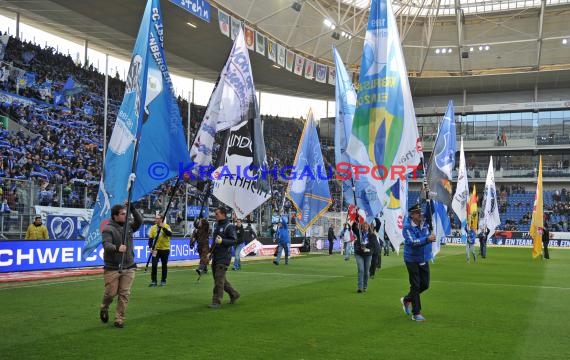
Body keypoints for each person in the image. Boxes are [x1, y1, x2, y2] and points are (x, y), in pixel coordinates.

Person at [100, 202, 142, 328]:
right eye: (123, 214)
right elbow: (106, 245)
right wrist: (117, 248)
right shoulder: (108, 229)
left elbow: (139, 221)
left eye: (126, 213)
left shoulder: (129, 226)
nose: (126, 216)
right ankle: (104, 307)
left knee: (124, 293)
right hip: (112, 267)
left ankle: (119, 318)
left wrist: (133, 208)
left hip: (129, 265)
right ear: (115, 216)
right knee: (111, 293)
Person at [400, 204, 436, 322]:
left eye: (420, 212)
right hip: (411, 259)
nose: (420, 214)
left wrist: (429, 194)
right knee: (415, 285)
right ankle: (416, 313)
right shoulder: (407, 227)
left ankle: (407, 299)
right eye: (417, 212)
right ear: (412, 215)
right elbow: (413, 242)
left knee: (425, 285)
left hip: (423, 258)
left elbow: (432, 210)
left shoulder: (425, 221)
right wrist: (427, 239)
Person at [209, 207, 240, 309]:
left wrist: (222, 241)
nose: (215, 215)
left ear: (223, 214)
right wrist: (210, 253)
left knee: (218, 279)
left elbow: (234, 240)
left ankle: (216, 301)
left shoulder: (229, 226)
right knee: (220, 280)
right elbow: (214, 242)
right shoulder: (217, 226)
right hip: (216, 256)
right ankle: (234, 294)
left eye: (217, 214)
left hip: (224, 257)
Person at [148, 213, 172, 287]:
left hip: (165, 249)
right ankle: (154, 281)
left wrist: (163, 228)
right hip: (155, 249)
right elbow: (151, 238)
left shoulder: (167, 226)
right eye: (156, 218)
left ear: (161, 219)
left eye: (158, 218)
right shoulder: (153, 228)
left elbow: (169, 234)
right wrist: (150, 247)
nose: (156, 219)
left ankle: (163, 281)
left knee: (164, 265)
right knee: (154, 264)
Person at [354, 222, 373, 293]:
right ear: (361, 227)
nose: (365, 228)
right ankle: (360, 287)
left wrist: (366, 247)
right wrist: (356, 219)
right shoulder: (359, 233)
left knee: (366, 272)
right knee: (361, 270)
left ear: (368, 227)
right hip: (359, 254)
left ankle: (365, 286)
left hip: (368, 255)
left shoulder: (371, 235)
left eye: (366, 227)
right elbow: (353, 228)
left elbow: (372, 245)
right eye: (364, 227)